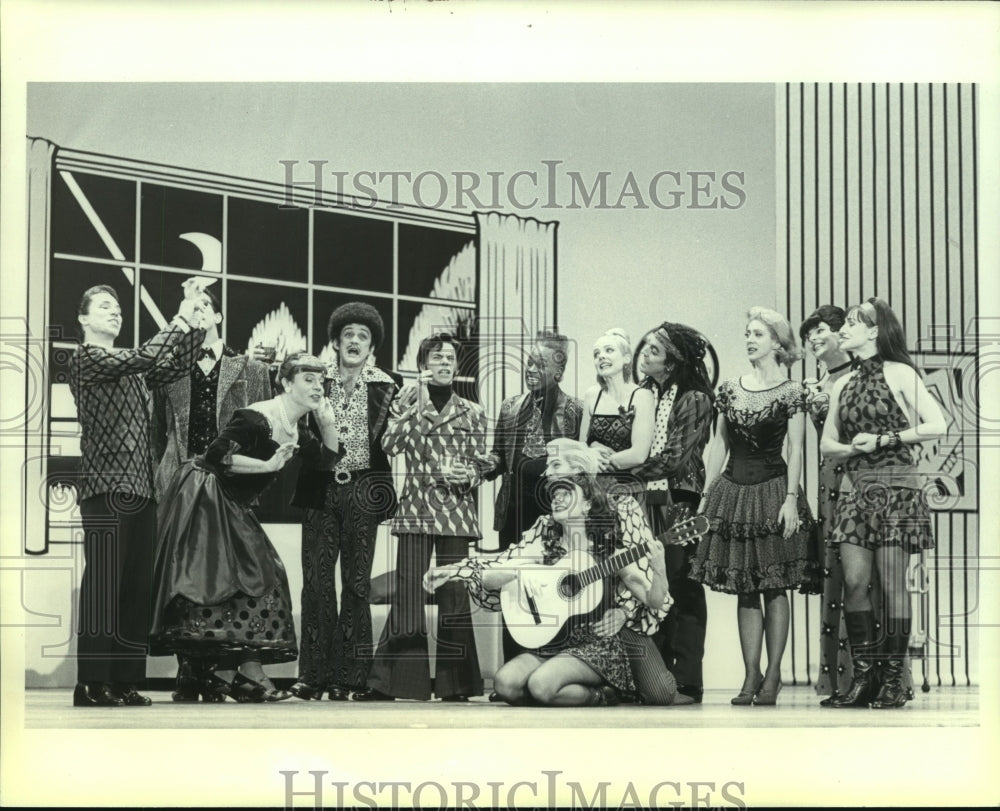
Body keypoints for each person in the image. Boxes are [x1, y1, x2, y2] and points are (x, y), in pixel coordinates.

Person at [424, 439, 673, 707]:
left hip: (596, 644)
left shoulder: (609, 545)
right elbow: (493, 571)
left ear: (587, 503)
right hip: (553, 641)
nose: (557, 498)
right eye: (555, 495)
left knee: (541, 685)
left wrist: (659, 571)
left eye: (566, 493)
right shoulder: (544, 540)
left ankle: (602, 694)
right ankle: (556, 689)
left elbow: (654, 600)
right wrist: (456, 571)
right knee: (505, 683)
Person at [149, 353, 340, 702]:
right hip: (206, 496)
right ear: (285, 383)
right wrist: (267, 464)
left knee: (259, 580)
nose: (318, 386)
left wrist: (328, 424)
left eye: (321, 380)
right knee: (229, 581)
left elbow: (326, 465)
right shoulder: (258, 416)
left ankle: (233, 673)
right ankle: (235, 674)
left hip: (233, 502)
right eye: (308, 379)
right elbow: (214, 456)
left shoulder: (299, 428)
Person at [69, 281, 205, 707]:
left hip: (141, 488)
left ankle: (124, 680)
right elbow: (146, 355)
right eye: (105, 307)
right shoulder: (86, 358)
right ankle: (91, 682)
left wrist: (196, 324)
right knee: (104, 586)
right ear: (83, 318)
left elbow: (173, 366)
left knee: (134, 591)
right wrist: (179, 316)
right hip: (105, 485)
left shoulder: (130, 368)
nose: (115, 312)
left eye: (118, 308)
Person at [819, 298, 946, 709]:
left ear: (874, 331)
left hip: (896, 487)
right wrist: (854, 449)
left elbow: (937, 423)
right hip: (859, 490)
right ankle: (865, 678)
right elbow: (827, 444)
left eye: (855, 322)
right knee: (855, 582)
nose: (846, 327)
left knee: (892, 584)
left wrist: (885, 439)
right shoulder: (841, 383)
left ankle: (894, 679)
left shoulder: (900, 372)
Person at [690, 306, 817, 706]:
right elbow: (720, 445)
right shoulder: (729, 387)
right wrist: (706, 495)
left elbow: (796, 448)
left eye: (758, 334)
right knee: (745, 588)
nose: (749, 339)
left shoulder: (791, 390)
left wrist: (792, 500)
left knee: (774, 586)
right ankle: (751, 675)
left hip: (773, 488)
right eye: (747, 333)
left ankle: (774, 674)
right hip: (733, 490)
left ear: (777, 343)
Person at [151, 285, 272, 702]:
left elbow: (263, 433)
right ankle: (191, 672)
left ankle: (223, 670)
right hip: (182, 484)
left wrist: (250, 480)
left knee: (229, 581)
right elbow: (157, 433)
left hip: (229, 485)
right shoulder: (168, 369)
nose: (200, 313)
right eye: (193, 306)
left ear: (218, 317)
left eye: (207, 306)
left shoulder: (251, 369)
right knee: (185, 580)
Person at [363, 333, 487, 701]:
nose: (445, 363)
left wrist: (471, 475)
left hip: (457, 512)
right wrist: (408, 407)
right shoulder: (408, 405)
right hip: (416, 510)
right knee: (408, 597)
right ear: (423, 366)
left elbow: (482, 461)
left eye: (450, 358)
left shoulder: (473, 412)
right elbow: (389, 445)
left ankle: (458, 686)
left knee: (454, 597)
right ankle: (392, 684)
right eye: (437, 358)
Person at [289, 303, 400, 702]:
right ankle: (312, 675)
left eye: (363, 336)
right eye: (348, 334)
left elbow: (396, 441)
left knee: (356, 585)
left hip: (363, 491)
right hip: (321, 487)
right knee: (316, 584)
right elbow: (297, 430)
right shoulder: (314, 380)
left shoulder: (390, 384)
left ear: (372, 346)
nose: (355, 341)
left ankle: (350, 678)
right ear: (335, 341)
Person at [477, 331, 583, 678]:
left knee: (552, 594)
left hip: (555, 519)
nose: (530, 368)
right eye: (528, 362)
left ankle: (551, 672)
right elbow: (498, 459)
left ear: (560, 368)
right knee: (514, 596)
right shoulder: (510, 407)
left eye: (539, 363)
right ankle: (512, 671)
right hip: (513, 514)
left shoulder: (575, 411)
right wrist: (484, 464)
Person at [628, 322, 715, 704]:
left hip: (679, 501)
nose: (644, 354)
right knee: (648, 586)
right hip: (644, 498)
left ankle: (687, 682)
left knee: (681, 587)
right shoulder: (644, 395)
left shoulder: (694, 398)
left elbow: (675, 457)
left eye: (654, 350)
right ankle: (655, 678)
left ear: (673, 361)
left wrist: (622, 469)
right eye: (644, 347)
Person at [579, 329, 655, 502]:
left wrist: (594, 460)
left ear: (626, 358)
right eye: (596, 353)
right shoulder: (592, 395)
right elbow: (582, 446)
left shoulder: (642, 396)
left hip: (629, 492)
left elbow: (638, 454)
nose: (601, 356)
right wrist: (589, 454)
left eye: (609, 350)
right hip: (594, 491)